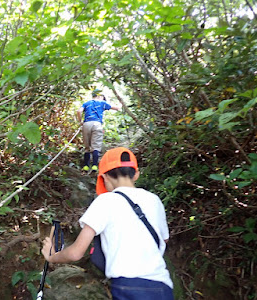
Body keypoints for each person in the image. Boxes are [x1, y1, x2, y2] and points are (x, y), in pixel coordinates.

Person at [41, 147, 174, 300]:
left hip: (127, 286)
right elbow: (164, 239)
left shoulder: (105, 201)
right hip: (162, 285)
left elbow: (76, 253)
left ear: (104, 177)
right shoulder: (154, 200)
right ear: (136, 174)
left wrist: (52, 256)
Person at [76, 90, 120, 172]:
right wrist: (120, 107)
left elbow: (79, 111)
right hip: (97, 124)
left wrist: (80, 121)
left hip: (86, 124)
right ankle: (95, 166)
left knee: (87, 147)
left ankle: (86, 166)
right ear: (100, 96)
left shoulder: (86, 103)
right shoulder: (102, 103)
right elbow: (116, 108)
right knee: (96, 146)